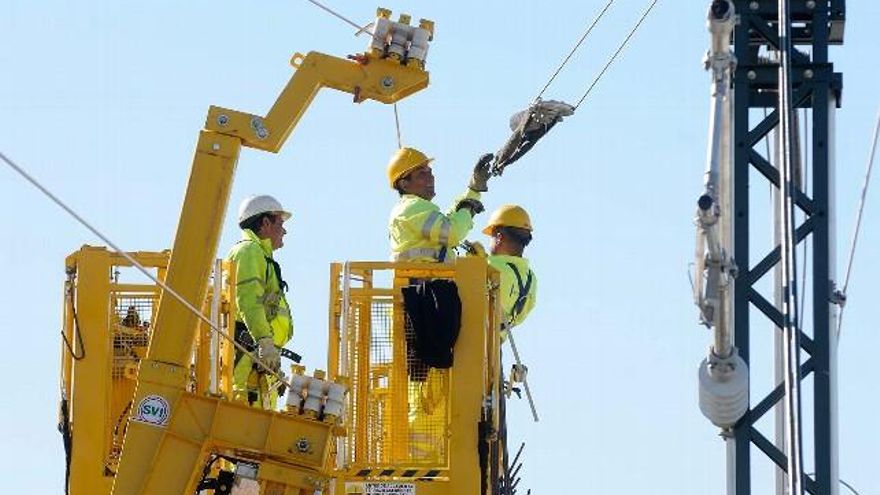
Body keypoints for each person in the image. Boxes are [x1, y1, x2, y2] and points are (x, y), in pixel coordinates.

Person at [227, 194, 294, 409]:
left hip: (256, 358)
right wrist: (265, 342)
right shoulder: (248, 251)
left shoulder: (260, 255)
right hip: (246, 357)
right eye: (280, 223)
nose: (284, 231)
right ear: (265, 223)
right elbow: (248, 302)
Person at [387, 147, 493, 262]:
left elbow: (449, 220)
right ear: (404, 184)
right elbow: (452, 232)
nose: (431, 178)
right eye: (422, 174)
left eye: (430, 172)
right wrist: (467, 208)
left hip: (429, 277)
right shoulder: (411, 207)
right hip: (427, 278)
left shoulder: (413, 208)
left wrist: (474, 190)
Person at [482, 205, 537, 339]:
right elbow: (519, 318)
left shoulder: (490, 267)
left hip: (469, 342)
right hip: (494, 350)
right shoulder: (531, 279)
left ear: (499, 237)